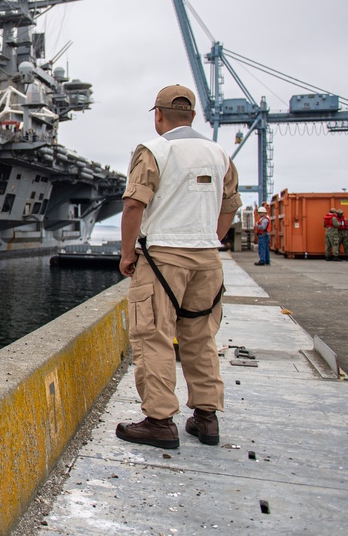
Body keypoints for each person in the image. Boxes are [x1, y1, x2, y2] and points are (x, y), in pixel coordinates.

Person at [117, 84, 241, 449]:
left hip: (162, 261)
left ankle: (158, 421)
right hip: (207, 261)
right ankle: (206, 418)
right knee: (202, 339)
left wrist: (127, 255)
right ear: (193, 115)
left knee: (153, 337)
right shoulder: (219, 154)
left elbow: (133, 207)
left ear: (158, 115)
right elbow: (230, 206)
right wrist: (208, 239)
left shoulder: (154, 150)